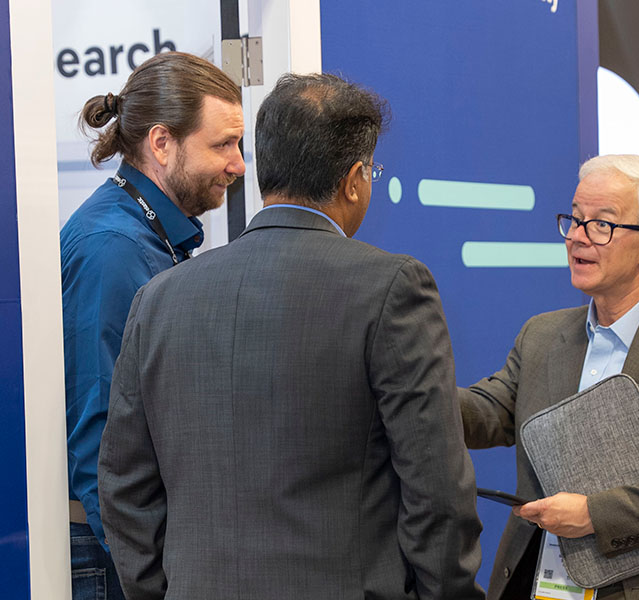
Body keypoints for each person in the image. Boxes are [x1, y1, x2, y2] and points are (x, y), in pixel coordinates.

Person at [98, 73, 484, 600]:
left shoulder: (159, 298)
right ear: (355, 179)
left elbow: (125, 487)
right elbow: (436, 489)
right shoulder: (392, 288)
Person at [460, 154, 639, 600]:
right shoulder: (541, 335)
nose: (578, 237)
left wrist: (595, 514)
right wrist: (413, 386)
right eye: (575, 219)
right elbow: (490, 413)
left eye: (601, 224)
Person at [60, 51, 244, 600]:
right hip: (112, 559)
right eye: (223, 145)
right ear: (161, 143)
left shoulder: (151, 237)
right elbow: (100, 439)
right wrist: (151, 581)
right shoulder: (112, 250)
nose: (238, 165)